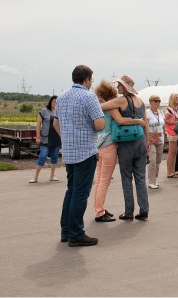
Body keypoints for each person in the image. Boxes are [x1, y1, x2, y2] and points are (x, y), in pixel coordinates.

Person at [55, 65, 105, 246]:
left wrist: (67, 138)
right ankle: (76, 234)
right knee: (80, 194)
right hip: (85, 151)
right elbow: (99, 125)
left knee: (71, 191)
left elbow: (56, 124)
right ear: (87, 79)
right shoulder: (89, 97)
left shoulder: (61, 97)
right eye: (91, 79)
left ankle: (66, 231)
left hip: (69, 151)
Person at [93, 80, 146, 222]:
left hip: (107, 144)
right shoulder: (138, 102)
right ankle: (143, 210)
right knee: (138, 178)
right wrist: (138, 122)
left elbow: (102, 111)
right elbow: (123, 120)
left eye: (119, 85)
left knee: (104, 179)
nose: (117, 88)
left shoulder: (112, 104)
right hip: (124, 142)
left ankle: (104, 209)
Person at [30, 96, 61, 183]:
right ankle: (35, 177)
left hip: (57, 138)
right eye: (54, 101)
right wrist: (38, 136)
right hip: (46, 139)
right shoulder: (44, 111)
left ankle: (52, 176)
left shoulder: (60, 112)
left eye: (57, 102)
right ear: (50, 102)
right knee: (43, 156)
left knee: (54, 157)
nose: (55, 103)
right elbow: (38, 124)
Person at [146, 95, 165, 189]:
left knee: (158, 160)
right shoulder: (147, 113)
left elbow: (163, 125)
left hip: (160, 138)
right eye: (156, 101)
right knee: (152, 160)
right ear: (150, 102)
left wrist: (165, 133)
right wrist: (147, 138)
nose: (158, 103)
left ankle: (155, 179)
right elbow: (145, 125)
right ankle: (151, 181)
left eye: (159, 101)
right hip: (151, 139)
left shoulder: (161, 112)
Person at [164, 93, 178, 178]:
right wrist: (175, 122)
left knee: (174, 152)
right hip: (171, 132)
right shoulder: (170, 110)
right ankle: (169, 172)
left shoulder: (175, 109)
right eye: (175, 97)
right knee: (171, 152)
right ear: (172, 99)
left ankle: (173, 171)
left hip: (175, 132)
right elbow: (165, 120)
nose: (177, 99)